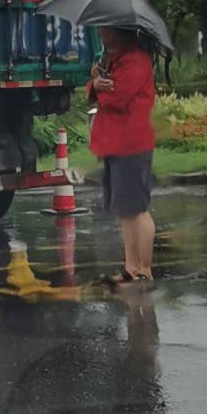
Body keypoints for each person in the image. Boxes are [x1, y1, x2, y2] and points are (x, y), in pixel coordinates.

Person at [88, 27, 156, 283]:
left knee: (138, 208)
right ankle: (130, 267)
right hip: (116, 142)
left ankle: (145, 269)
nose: (100, 34)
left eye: (103, 30)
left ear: (116, 33)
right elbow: (101, 90)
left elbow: (119, 97)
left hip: (132, 143)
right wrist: (97, 81)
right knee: (125, 209)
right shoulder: (114, 59)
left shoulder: (136, 61)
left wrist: (101, 85)